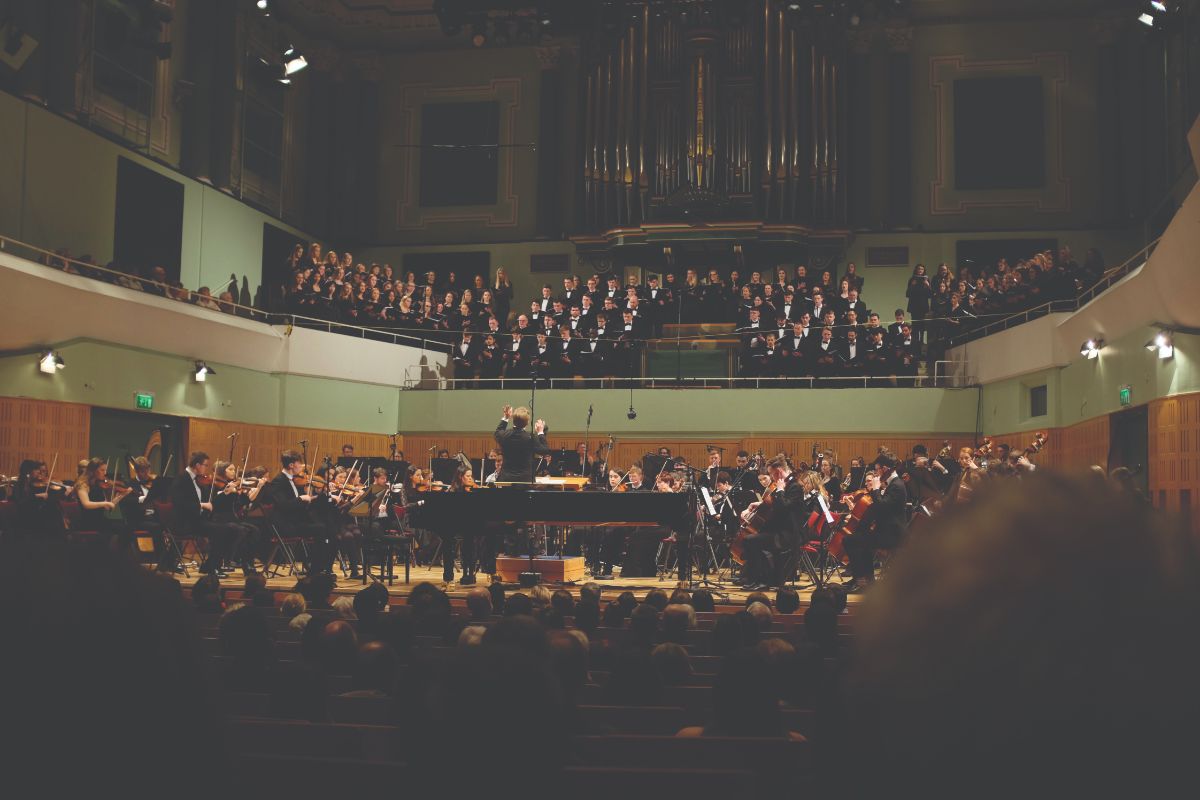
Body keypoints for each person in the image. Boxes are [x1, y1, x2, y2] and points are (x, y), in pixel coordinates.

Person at [167, 452, 242, 576]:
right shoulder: (182, 478)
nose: (206, 468)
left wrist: (224, 493)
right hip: (184, 523)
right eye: (205, 465)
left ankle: (210, 565)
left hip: (196, 520)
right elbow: (179, 503)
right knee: (222, 530)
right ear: (197, 465)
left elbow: (210, 504)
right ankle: (212, 567)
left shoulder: (196, 480)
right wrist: (201, 505)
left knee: (231, 529)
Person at [737, 456, 806, 590]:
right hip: (778, 530)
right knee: (750, 539)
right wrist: (758, 504)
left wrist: (780, 490)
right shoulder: (784, 485)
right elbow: (773, 504)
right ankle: (756, 578)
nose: (771, 477)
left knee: (750, 541)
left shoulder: (795, 487)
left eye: (771, 474)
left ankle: (761, 580)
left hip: (788, 534)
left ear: (779, 471)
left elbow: (784, 507)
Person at [841, 453, 907, 592]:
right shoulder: (891, 484)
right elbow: (879, 508)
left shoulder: (897, 485)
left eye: (877, 470)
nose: (876, 473)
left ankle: (862, 580)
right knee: (858, 537)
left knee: (850, 541)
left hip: (891, 535)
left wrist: (876, 490)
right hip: (884, 531)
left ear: (884, 469)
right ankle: (864, 580)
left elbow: (882, 506)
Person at [267, 450, 337, 577]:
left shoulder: (294, 480)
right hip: (287, 525)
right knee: (321, 529)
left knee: (331, 529)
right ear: (291, 465)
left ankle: (325, 568)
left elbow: (301, 503)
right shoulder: (279, 481)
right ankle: (316, 570)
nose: (301, 467)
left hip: (297, 521)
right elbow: (283, 505)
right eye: (299, 463)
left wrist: (320, 496)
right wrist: (301, 499)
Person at [493, 405, 550, 483]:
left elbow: (497, 432)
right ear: (527, 423)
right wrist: (540, 432)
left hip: (506, 479)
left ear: (513, 420)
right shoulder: (530, 438)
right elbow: (545, 450)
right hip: (525, 480)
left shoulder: (504, 435)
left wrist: (506, 417)